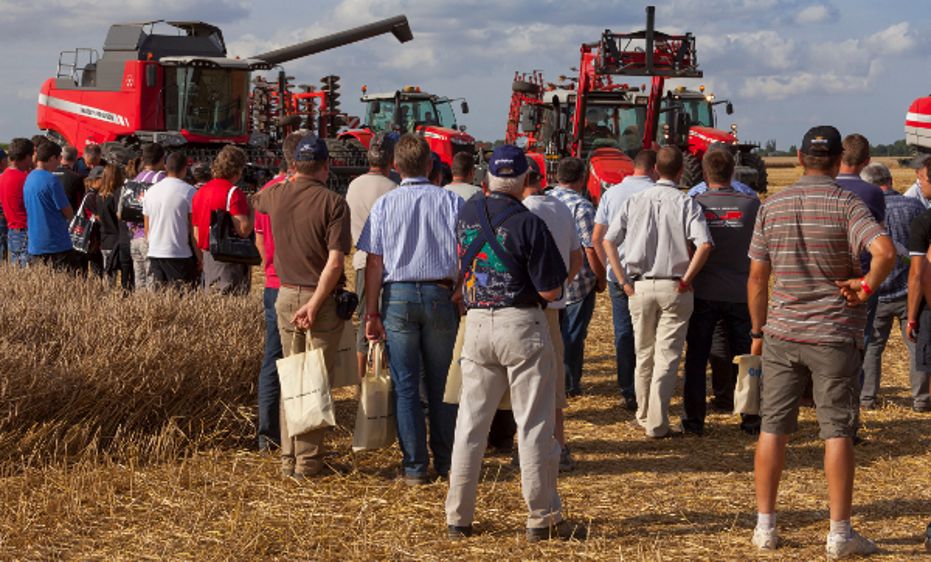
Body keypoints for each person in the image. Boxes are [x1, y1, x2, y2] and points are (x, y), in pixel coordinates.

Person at [747, 126, 894, 557]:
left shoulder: (771, 205)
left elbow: (757, 277)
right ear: (838, 162)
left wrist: (757, 331)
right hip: (833, 332)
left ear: (799, 158)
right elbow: (885, 252)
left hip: (782, 331)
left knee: (772, 428)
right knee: (836, 431)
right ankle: (839, 533)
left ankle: (765, 527)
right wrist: (865, 287)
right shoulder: (847, 204)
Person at [445, 145, 584, 542]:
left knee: (470, 425)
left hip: (476, 324)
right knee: (534, 425)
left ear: (487, 178)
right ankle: (542, 517)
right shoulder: (529, 223)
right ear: (525, 180)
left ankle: (458, 516)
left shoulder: (467, 214)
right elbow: (551, 288)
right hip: (521, 324)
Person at [357, 133, 462, 485]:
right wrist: (460, 288)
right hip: (439, 293)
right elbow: (465, 251)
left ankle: (415, 467)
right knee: (442, 384)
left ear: (395, 167)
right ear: (430, 165)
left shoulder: (384, 205)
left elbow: (374, 262)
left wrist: (371, 313)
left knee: (405, 386)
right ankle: (447, 463)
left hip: (398, 295)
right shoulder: (450, 201)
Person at [252, 134, 351, 479]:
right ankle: (308, 461)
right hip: (318, 298)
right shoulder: (334, 203)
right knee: (314, 379)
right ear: (326, 166)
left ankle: (288, 457)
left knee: (291, 376)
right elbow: (335, 262)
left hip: (284, 294)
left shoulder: (276, 195)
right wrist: (315, 304)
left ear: (294, 165)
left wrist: (286, 178)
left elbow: (256, 200)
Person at [602, 145, 713, 438]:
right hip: (674, 285)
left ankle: (643, 414)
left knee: (643, 353)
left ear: (654, 170)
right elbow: (704, 244)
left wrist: (623, 280)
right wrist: (687, 279)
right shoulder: (686, 202)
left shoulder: (635, 200)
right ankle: (657, 422)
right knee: (667, 356)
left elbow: (608, 241)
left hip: (639, 285)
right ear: (681, 171)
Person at [681, 149, 760, 435]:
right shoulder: (752, 204)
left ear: (704, 173)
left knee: (696, 358)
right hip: (741, 291)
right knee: (746, 358)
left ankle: (694, 421)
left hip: (703, 291)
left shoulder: (694, 204)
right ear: (733, 172)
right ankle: (750, 418)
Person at [521, 158, 583, 471]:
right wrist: (560, 287)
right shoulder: (561, 208)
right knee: (554, 382)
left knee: (524, 384)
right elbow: (577, 257)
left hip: (523, 308)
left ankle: (527, 451)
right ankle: (559, 446)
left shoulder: (521, 211)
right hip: (553, 309)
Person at [857, 162, 929, 412]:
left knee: (872, 346)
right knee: (916, 345)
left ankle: (867, 398)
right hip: (910, 290)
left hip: (877, 289)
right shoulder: (915, 206)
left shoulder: (865, 210)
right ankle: (921, 399)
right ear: (889, 180)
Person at [592, 149, 657, 410]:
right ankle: (648, 385)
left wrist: (609, 267)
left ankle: (628, 389)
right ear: (654, 168)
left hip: (619, 274)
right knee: (650, 332)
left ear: (634, 167)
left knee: (623, 332)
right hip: (651, 274)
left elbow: (597, 238)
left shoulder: (612, 193)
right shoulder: (659, 193)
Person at [253, 132, 302, 451]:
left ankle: (267, 435)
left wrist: (270, 264)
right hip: (299, 285)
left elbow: (259, 240)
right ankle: (298, 433)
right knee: (302, 362)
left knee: (272, 359)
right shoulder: (306, 194)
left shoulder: (266, 194)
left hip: (272, 283)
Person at [345, 132, 398, 380]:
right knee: (386, 323)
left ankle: (358, 380)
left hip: (361, 261)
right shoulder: (394, 189)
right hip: (387, 266)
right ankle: (382, 376)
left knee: (365, 320)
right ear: (391, 159)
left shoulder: (354, 186)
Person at [550, 157, 605, 397]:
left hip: (550, 282)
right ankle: (569, 384)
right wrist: (600, 277)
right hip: (578, 283)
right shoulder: (582, 207)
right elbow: (590, 248)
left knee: (553, 334)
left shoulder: (545, 200)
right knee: (573, 335)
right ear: (582, 179)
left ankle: (553, 381)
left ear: (557, 177)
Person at [192, 145, 253, 295]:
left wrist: (201, 258)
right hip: (228, 260)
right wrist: (252, 210)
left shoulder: (200, 192)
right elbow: (243, 229)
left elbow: (196, 233)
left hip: (208, 256)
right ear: (238, 170)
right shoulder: (234, 193)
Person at [143, 152, 200, 289]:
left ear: (165, 167)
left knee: (160, 296)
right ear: (184, 169)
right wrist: (200, 257)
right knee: (183, 295)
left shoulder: (150, 191)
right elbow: (194, 229)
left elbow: (147, 228)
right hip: (179, 253)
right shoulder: (189, 192)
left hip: (155, 252)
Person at [23, 142, 80, 272]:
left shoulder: (29, 177)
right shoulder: (51, 180)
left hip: (35, 242)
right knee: (65, 279)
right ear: (52, 158)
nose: (59, 162)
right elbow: (67, 211)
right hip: (55, 242)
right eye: (59, 158)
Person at [126, 143, 167, 290]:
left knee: (140, 283)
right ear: (162, 159)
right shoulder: (160, 179)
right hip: (151, 237)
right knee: (153, 283)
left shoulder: (136, 179)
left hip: (135, 236)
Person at [0, 138, 35, 267]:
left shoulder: (3, 176)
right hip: (26, 230)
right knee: (28, 269)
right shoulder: (26, 179)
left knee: (17, 266)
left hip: (12, 230)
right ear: (27, 157)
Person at [95, 164, 126, 284]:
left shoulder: (99, 196)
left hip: (105, 239)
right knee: (125, 274)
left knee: (108, 274)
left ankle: (107, 294)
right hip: (117, 239)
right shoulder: (117, 196)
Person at [55, 145, 85, 211]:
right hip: (69, 213)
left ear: (61, 157)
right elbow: (81, 201)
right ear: (76, 159)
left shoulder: (49, 173)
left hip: (50, 212)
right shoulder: (77, 178)